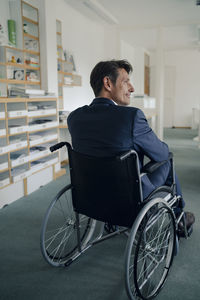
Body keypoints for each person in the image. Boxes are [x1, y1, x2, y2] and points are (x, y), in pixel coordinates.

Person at [67, 59, 194, 231]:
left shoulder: (74, 118)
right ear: (107, 83)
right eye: (126, 81)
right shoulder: (131, 117)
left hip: (90, 194)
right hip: (127, 197)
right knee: (168, 160)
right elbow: (162, 153)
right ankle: (180, 216)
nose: (132, 88)